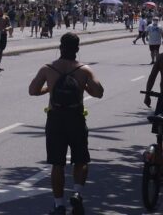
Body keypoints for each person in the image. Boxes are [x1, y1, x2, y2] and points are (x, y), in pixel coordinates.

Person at [28, 33, 104, 215]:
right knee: (81, 159)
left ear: (60, 47)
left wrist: (50, 88)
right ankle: (77, 193)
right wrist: (83, 86)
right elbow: (99, 92)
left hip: (55, 119)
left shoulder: (48, 69)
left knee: (57, 163)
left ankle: (59, 204)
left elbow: (32, 90)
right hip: (76, 118)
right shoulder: (84, 70)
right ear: (77, 49)